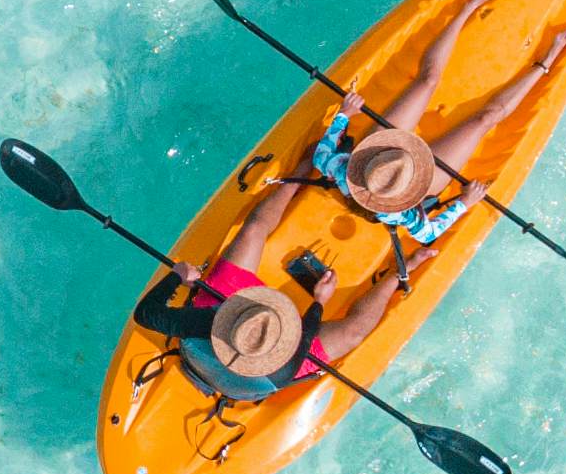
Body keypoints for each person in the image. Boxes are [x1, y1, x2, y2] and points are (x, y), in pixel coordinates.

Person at [307, 0, 566, 243]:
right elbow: (428, 234)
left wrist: (345, 113)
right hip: (412, 180)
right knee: (484, 120)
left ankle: (469, 7)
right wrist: (464, 203)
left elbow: (321, 154)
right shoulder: (399, 212)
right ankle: (546, 63)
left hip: (380, 155)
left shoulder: (342, 171)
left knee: (427, 80)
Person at [142, 172, 409, 404]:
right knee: (354, 332)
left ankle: (298, 175)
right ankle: (398, 275)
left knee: (255, 228)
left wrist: (177, 276)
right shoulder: (283, 368)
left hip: (219, 334)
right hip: (251, 377)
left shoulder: (203, 320)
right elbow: (307, 333)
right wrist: (319, 301)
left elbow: (145, 314)